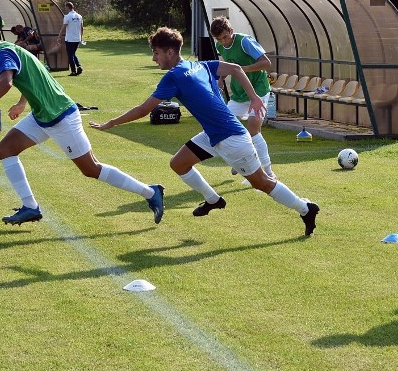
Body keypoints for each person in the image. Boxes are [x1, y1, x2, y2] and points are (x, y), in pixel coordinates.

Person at [88, 26, 319, 236]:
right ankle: (213, 199)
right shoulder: (198, 65)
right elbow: (236, 69)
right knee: (179, 163)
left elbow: (143, 110)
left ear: (170, 52)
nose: (154, 58)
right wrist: (254, 97)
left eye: (156, 53)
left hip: (231, 139)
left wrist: (112, 123)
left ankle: (305, 208)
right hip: (214, 133)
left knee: (263, 183)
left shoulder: (174, 76)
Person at [0, 13, 164, 226]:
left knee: (91, 169)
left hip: (61, 117)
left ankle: (150, 192)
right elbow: (32, 77)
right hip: (43, 116)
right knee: (6, 149)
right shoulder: (12, 49)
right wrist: (22, 103)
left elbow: (6, 83)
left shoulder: (3, 53)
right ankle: (30, 207)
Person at [210, 16, 276, 179]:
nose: (223, 42)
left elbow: (266, 63)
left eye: (225, 37)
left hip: (259, 90)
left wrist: (242, 69)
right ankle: (241, 163)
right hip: (239, 94)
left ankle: (268, 171)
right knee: (226, 128)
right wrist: (220, 80)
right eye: (219, 39)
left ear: (231, 31)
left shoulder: (245, 42)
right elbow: (228, 66)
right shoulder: (221, 46)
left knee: (253, 131)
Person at [59, 2, 84, 76]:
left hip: (70, 39)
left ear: (67, 7)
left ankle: (73, 71)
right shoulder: (79, 16)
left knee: (70, 55)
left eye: (65, 7)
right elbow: (82, 27)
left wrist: (59, 36)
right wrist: (81, 37)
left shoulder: (67, 16)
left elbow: (64, 27)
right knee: (73, 53)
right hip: (77, 38)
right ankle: (79, 66)